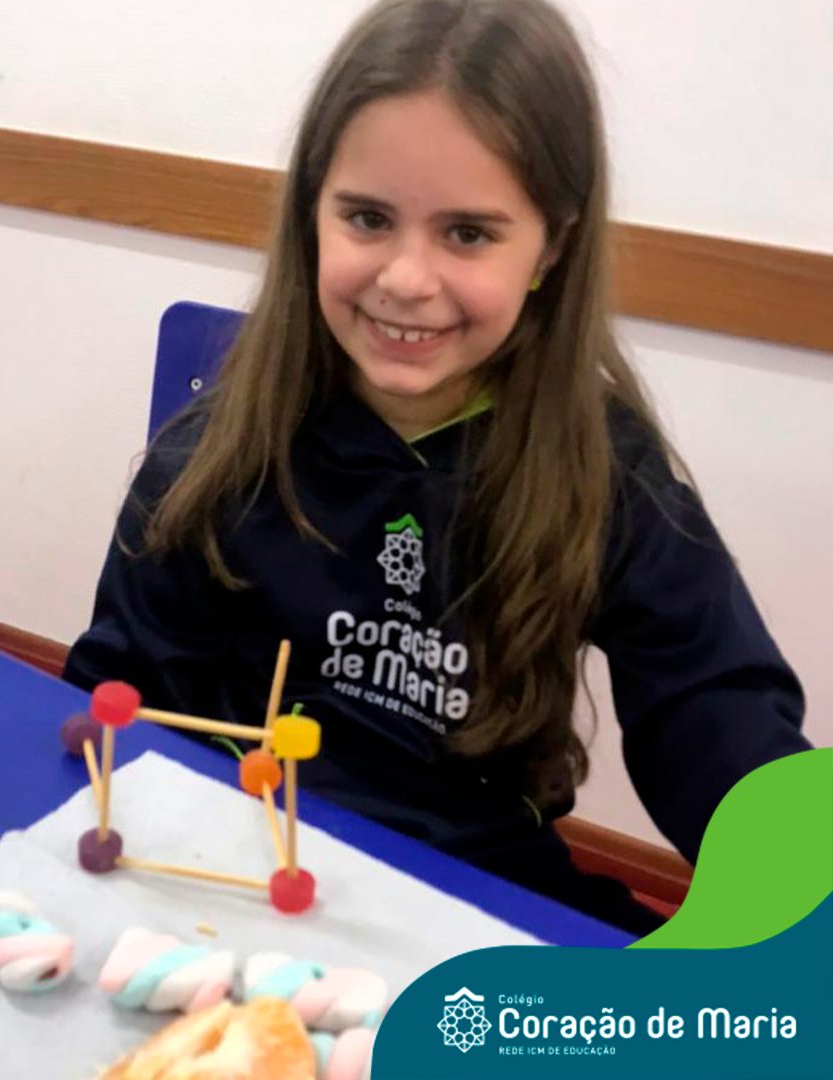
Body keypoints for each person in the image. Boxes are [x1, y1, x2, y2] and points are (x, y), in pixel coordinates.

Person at [64, 0, 810, 935]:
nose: (407, 280)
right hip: (237, 865)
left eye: (468, 233)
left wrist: (791, 862)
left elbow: (712, 709)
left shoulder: (606, 471)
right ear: (312, 213)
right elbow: (118, 699)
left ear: (552, 245)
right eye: (368, 218)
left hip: (478, 882)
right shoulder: (215, 452)